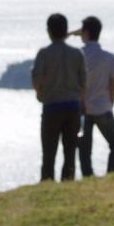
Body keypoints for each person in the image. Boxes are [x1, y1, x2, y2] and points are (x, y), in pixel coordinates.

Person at [31, 13, 87, 181]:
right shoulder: (77, 53)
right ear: (65, 31)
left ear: (49, 31)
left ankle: (47, 182)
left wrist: (41, 94)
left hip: (51, 107)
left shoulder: (44, 53)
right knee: (70, 151)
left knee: (49, 152)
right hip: (72, 107)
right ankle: (68, 180)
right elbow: (83, 82)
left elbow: (36, 80)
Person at [73, 15, 114, 176]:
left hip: (82, 108)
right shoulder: (110, 58)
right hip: (103, 107)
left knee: (84, 149)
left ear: (85, 32)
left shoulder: (77, 56)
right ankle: (112, 173)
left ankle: (88, 176)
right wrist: (110, 104)